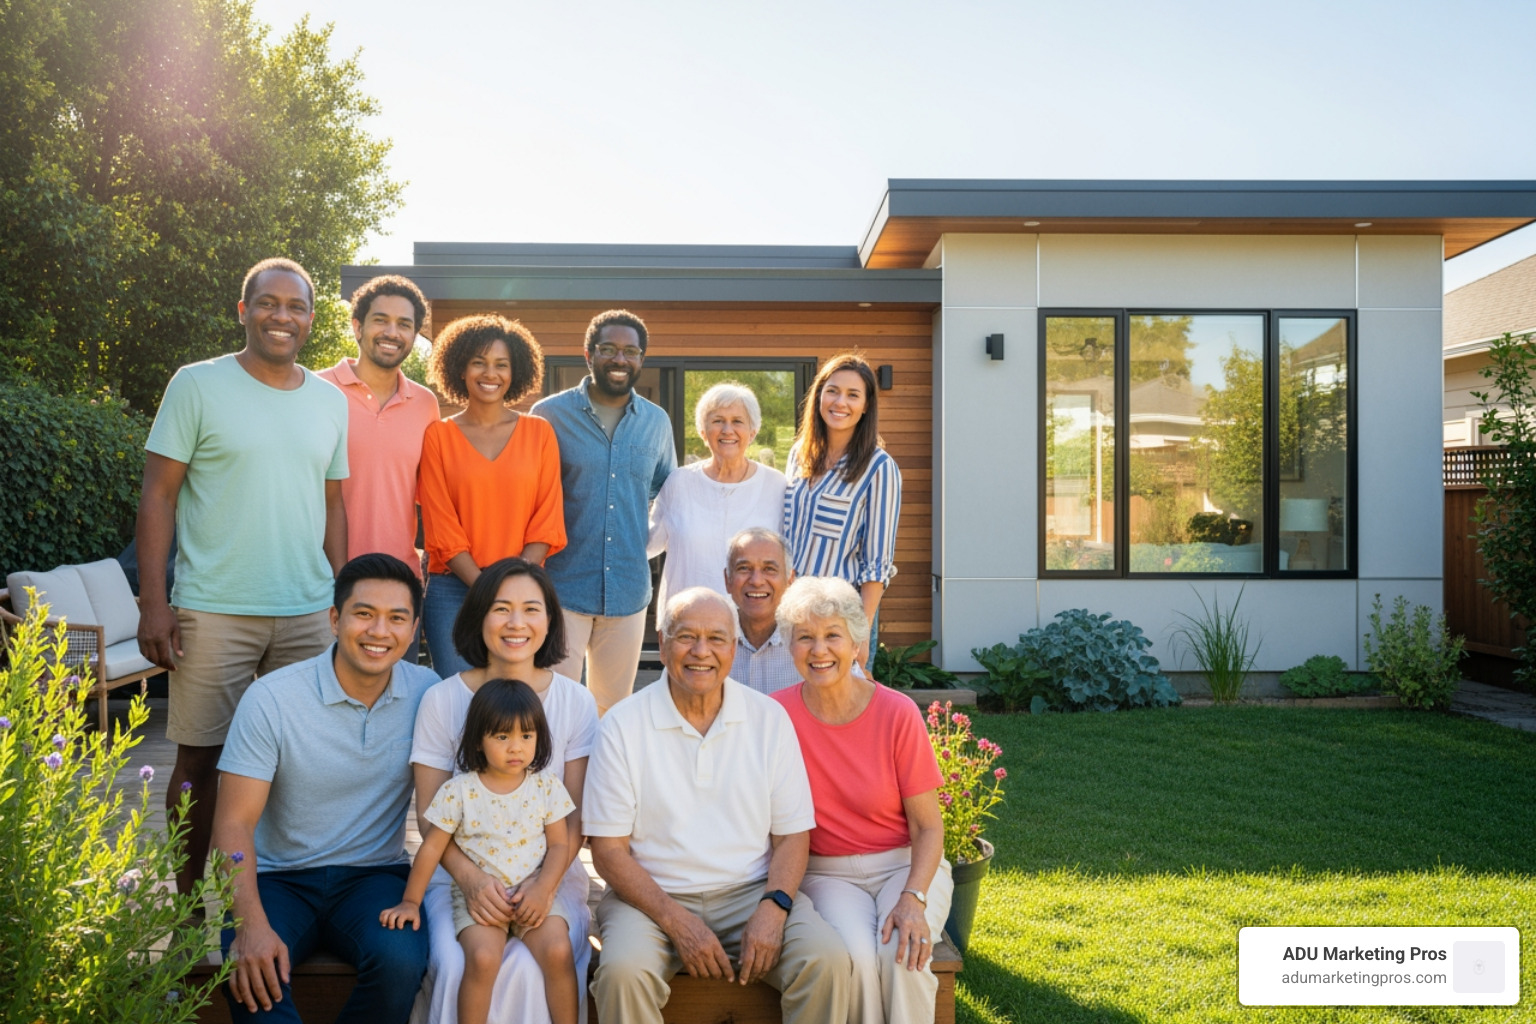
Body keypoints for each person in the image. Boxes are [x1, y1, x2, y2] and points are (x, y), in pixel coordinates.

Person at [137, 257, 348, 893]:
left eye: (296, 307)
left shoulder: (330, 400)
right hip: (214, 607)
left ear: (311, 320)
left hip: (309, 611)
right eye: (268, 303)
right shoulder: (196, 385)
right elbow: (158, 495)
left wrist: (347, 597)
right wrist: (153, 602)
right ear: (243, 310)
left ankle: (277, 897)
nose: (281, 316)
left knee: (302, 762)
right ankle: (183, 911)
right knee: (199, 759)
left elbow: (334, 504)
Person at [583, 587, 850, 1024]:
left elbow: (792, 836)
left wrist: (774, 905)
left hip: (752, 891)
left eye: (717, 638)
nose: (701, 652)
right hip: (650, 899)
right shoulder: (621, 726)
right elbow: (608, 852)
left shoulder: (768, 719)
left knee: (826, 961)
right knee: (622, 974)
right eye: (686, 636)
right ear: (663, 643)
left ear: (733, 646)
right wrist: (676, 921)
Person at [212, 554, 437, 1023]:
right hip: (277, 879)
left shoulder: (428, 694)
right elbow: (232, 822)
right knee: (252, 975)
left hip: (373, 877)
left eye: (397, 618)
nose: (379, 631)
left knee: (401, 960)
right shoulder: (272, 698)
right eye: (363, 614)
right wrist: (249, 924)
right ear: (335, 619)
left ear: (414, 629)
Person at [409, 558, 597, 1024]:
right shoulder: (442, 699)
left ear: (550, 620)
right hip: (458, 874)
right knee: (457, 964)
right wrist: (473, 882)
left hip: (550, 873)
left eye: (531, 609)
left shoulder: (576, 701)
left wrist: (542, 885)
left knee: (541, 961)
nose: (516, 623)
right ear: (478, 617)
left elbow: (573, 822)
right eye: (501, 609)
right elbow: (430, 818)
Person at [771, 576, 952, 1024]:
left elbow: (929, 827)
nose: (819, 650)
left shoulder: (897, 713)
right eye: (805, 638)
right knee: (853, 961)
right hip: (827, 874)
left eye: (833, 636)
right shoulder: (775, 716)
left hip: (904, 866)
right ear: (789, 646)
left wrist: (914, 897)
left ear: (857, 644)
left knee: (903, 955)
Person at [383, 680, 577, 1024]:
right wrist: (410, 901)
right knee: (483, 959)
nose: (516, 747)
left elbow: (561, 845)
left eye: (527, 736)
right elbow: (431, 849)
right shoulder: (459, 791)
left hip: (534, 893)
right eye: (502, 737)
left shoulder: (546, 786)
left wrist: (544, 888)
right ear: (478, 741)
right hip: (481, 903)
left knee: (559, 951)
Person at [532, 310, 676, 713]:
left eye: (630, 351)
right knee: (553, 705)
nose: (620, 359)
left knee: (612, 710)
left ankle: (600, 780)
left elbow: (664, 491)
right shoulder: (549, 416)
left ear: (641, 359)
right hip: (562, 587)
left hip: (628, 591)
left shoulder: (656, 423)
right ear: (588, 354)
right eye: (609, 349)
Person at [419, 315, 565, 678]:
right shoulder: (438, 435)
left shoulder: (539, 433)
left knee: (519, 703)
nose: (491, 373)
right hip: (454, 590)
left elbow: (546, 521)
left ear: (515, 372)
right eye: (479, 362)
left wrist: (510, 590)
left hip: (524, 590)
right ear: (460, 369)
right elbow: (441, 527)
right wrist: (488, 589)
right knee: (459, 702)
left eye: (502, 364)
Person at [783, 353, 901, 669]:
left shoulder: (879, 467)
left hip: (843, 619)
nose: (840, 402)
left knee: (839, 711)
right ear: (819, 395)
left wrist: (860, 632)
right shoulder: (800, 455)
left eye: (853, 395)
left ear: (866, 406)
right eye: (833, 390)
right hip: (794, 611)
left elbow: (877, 562)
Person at [319, 274, 440, 577]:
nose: (392, 332)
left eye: (404, 324)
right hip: (319, 581)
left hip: (399, 579)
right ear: (357, 326)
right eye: (381, 320)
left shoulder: (425, 404)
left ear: (414, 335)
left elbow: (432, 495)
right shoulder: (314, 391)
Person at [647, 382, 788, 614]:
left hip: (753, 625)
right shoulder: (679, 483)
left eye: (737, 421)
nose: (727, 430)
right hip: (686, 622)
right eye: (717, 421)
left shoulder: (777, 485)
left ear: (752, 432)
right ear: (703, 433)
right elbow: (649, 543)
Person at [722, 527, 799, 696]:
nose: (756, 581)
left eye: (769, 569)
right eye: (744, 568)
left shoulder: (809, 643)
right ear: (727, 580)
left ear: (790, 580)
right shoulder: (709, 643)